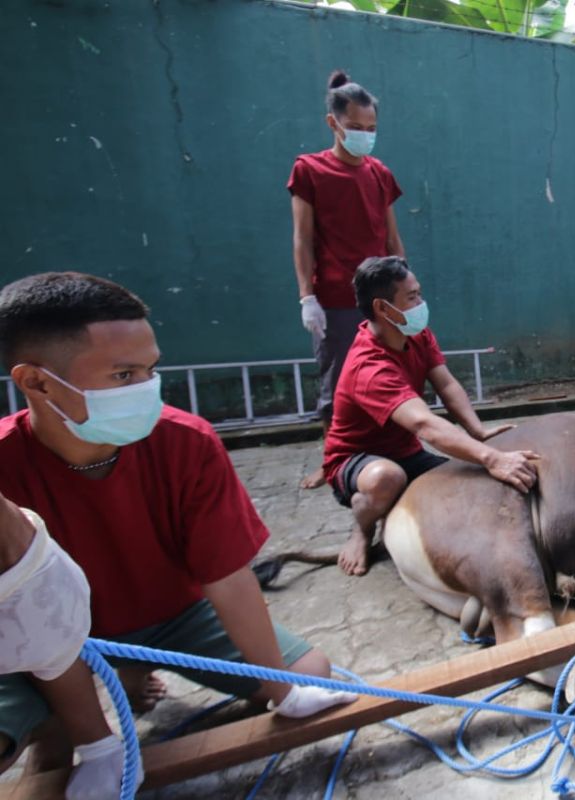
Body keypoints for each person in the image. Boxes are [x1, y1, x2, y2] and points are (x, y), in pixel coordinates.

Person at [0, 272, 355, 775]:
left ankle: (132, 668)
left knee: (313, 676)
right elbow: (30, 619)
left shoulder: (186, 442)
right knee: (47, 748)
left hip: (175, 615)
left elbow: (228, 578)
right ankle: (70, 717)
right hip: (44, 636)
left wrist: (282, 689)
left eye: (151, 369)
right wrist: (97, 743)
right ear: (35, 382)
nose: (146, 389)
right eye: (123, 376)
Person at [322, 257, 539, 576]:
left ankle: (394, 520)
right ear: (384, 308)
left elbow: (446, 383)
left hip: (405, 453)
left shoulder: (415, 335)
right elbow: (423, 424)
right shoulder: (367, 366)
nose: (421, 303)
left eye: (419, 294)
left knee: (472, 483)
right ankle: (363, 529)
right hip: (356, 461)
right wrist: (491, 458)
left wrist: (477, 432)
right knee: (388, 478)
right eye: (412, 297)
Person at [290, 70, 406, 489]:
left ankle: (391, 450)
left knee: (392, 374)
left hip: (381, 297)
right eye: (355, 127)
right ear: (333, 123)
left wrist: (404, 292)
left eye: (371, 128)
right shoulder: (310, 170)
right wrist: (307, 297)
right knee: (337, 384)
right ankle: (334, 462)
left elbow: (393, 238)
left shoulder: (380, 174)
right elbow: (302, 240)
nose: (364, 135)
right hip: (336, 296)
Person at [0, 492, 131, 798]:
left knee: (52, 643)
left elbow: (56, 649)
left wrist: (98, 747)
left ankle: (62, 729)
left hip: (29, 584)